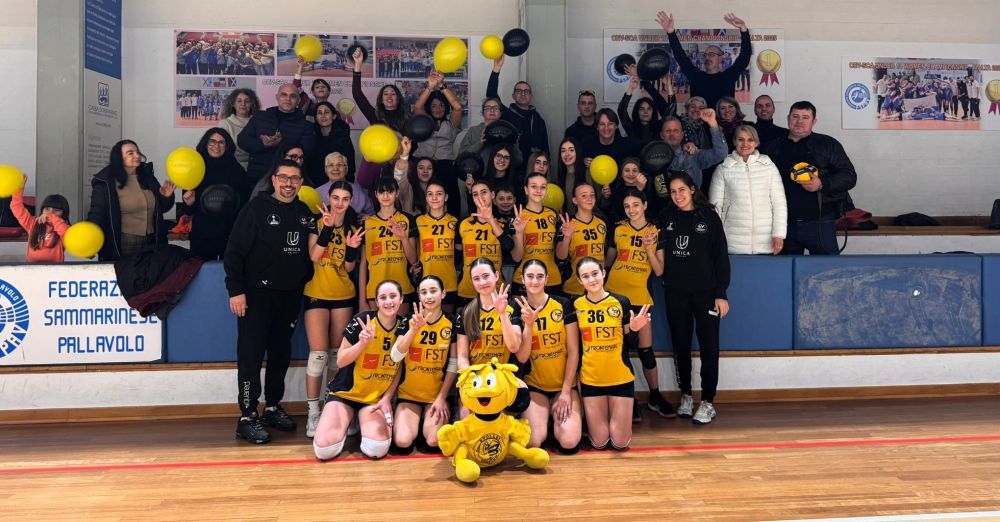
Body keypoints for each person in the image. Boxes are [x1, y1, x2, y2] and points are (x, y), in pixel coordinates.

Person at [225, 160, 317, 444]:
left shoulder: (304, 212)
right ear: (274, 180)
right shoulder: (255, 208)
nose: (289, 183)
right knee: (251, 356)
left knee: (280, 355)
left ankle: (273, 407)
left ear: (301, 183)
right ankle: (247, 415)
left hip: (289, 296)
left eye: (295, 178)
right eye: (284, 178)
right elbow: (234, 251)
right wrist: (236, 290)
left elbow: (312, 253)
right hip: (255, 296)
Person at [312, 280, 414, 460]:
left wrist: (387, 398)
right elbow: (341, 361)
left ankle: (361, 418)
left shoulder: (404, 326)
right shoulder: (364, 320)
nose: (388, 301)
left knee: (377, 449)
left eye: (393, 296)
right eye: (383, 297)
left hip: (374, 399)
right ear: (376, 301)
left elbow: (399, 366)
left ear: (401, 299)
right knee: (324, 450)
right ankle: (347, 419)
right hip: (346, 393)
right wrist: (362, 344)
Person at [658, 172, 730, 424]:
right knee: (680, 346)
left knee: (709, 347)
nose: (677, 196)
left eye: (682, 190)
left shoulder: (708, 217)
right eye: (673, 191)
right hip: (675, 292)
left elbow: (721, 257)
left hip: (706, 294)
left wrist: (721, 294)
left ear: (692, 190)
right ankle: (686, 395)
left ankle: (708, 401)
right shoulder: (667, 217)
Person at [604, 188, 671, 421]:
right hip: (614, 296)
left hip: (640, 298)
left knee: (646, 352)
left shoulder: (655, 231)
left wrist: (649, 249)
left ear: (644, 205)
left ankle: (655, 396)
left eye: (635, 205)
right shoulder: (618, 229)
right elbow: (608, 262)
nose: (631, 210)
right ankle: (628, 399)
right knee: (620, 351)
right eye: (627, 206)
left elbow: (659, 270)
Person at [302, 181, 363, 438]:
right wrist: (327, 228)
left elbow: (348, 268)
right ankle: (313, 412)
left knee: (338, 356)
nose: (339, 203)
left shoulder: (352, 228)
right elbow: (314, 256)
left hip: (343, 295)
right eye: (336, 198)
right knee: (318, 355)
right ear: (328, 197)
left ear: (350, 202)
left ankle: (332, 409)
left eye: (345, 199)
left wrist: (352, 250)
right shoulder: (316, 223)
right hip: (316, 293)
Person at [571, 256, 652, 450]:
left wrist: (634, 329)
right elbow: (575, 348)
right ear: (579, 281)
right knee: (600, 443)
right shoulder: (575, 305)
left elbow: (630, 344)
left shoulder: (621, 302)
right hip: (591, 379)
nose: (592, 279)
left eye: (595, 274)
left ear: (603, 273)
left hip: (620, 378)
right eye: (585, 276)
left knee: (620, 443)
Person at [762, 101, 857, 255]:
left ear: (814, 121)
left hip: (821, 222)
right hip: (784, 225)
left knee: (826, 268)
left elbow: (849, 176)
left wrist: (822, 183)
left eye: (805, 117)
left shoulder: (828, 144)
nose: (799, 121)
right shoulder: (772, 147)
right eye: (795, 116)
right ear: (788, 118)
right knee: (785, 268)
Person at [515, 260, 582, 453]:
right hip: (536, 386)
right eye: (530, 276)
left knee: (569, 441)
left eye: (539, 276)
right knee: (533, 442)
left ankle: (558, 418)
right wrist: (528, 324)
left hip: (564, 386)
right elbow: (522, 357)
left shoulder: (563, 304)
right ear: (522, 279)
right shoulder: (517, 307)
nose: (535, 281)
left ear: (547, 279)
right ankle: (545, 419)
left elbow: (574, 351)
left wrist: (566, 391)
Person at [389, 276, 458, 453]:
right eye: (424, 292)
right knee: (403, 441)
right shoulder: (409, 319)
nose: (428, 296)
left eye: (433, 291)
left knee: (434, 441)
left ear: (443, 294)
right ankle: (416, 422)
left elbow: (453, 364)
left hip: (436, 397)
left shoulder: (451, 322)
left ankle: (430, 420)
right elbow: (395, 356)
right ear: (419, 296)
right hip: (408, 395)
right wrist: (414, 329)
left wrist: (442, 397)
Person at [455, 258, 525, 418]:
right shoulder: (466, 312)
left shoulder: (511, 307)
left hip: (501, 376)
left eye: (486, 276)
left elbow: (514, 347)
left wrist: (502, 313)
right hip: (475, 376)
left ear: (496, 276)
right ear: (472, 282)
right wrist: (468, 379)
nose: (482, 282)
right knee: (468, 415)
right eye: (476, 279)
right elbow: (462, 357)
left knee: (515, 404)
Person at [87, 139, 177, 261]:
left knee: (154, 272)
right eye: (130, 153)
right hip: (124, 242)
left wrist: (166, 196)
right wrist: (90, 242)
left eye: (137, 152)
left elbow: (162, 208)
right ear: (119, 158)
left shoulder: (147, 176)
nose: (137, 155)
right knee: (127, 273)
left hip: (153, 240)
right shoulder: (106, 182)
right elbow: (97, 214)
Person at [709, 125, 786, 255]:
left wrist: (779, 235)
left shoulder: (769, 167)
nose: (745, 144)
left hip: (766, 244)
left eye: (750, 140)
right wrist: (716, 237)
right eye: (740, 139)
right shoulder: (723, 169)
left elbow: (779, 204)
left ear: (756, 143)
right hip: (731, 243)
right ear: (734, 141)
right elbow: (715, 207)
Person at [656, 11, 751, 109]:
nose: (707, 58)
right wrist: (671, 33)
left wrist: (743, 29)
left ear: (720, 58)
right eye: (705, 55)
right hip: (698, 119)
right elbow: (680, 56)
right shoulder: (696, 76)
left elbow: (744, 57)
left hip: (724, 119)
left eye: (711, 55)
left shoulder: (729, 77)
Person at [358, 176, 418, 315]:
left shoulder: (407, 219)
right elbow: (363, 264)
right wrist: (362, 300)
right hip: (375, 288)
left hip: (402, 287)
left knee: (399, 328)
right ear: (376, 194)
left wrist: (403, 237)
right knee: (377, 329)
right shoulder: (367, 223)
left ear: (397, 193)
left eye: (390, 191)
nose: (385, 196)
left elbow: (413, 260)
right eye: (381, 192)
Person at [184, 128, 247, 260]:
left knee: (229, 268)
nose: (216, 146)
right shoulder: (195, 168)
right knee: (199, 268)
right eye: (212, 142)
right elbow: (188, 209)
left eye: (221, 142)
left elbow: (244, 201)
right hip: (202, 231)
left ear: (227, 146)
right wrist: (190, 203)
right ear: (205, 144)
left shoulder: (237, 170)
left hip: (229, 231)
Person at [237, 83, 315, 183]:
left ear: (298, 100)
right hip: (257, 176)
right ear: (277, 97)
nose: (288, 99)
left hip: (288, 179)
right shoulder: (260, 116)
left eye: (293, 96)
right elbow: (242, 140)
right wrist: (263, 144)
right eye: (284, 95)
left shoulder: (306, 125)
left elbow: (307, 153)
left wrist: (282, 143)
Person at [412, 70, 464, 217]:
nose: (438, 109)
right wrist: (430, 86)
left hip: (445, 167)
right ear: (429, 107)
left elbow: (458, 107)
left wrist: (442, 86)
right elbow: (418, 107)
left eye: (441, 105)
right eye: (434, 106)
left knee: (450, 201)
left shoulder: (451, 123)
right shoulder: (423, 121)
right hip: (422, 166)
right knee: (422, 201)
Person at [458, 179, 518, 302]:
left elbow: (509, 246)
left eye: (484, 192)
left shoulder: (503, 223)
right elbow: (457, 256)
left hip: (496, 289)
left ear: (493, 195)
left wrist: (490, 220)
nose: (480, 197)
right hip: (467, 289)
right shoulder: (463, 223)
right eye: (475, 194)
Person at [486, 55, 550, 163]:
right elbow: (491, 95)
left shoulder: (538, 120)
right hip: (511, 167)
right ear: (513, 96)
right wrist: (496, 69)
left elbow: (546, 150)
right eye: (519, 91)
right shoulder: (506, 114)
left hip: (533, 168)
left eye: (526, 91)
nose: (523, 94)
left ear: (531, 96)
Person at [511, 172, 564, 295]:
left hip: (551, 278)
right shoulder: (518, 216)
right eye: (534, 186)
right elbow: (516, 257)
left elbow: (560, 254)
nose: (538, 191)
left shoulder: (553, 215)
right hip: (524, 277)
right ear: (526, 190)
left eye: (543, 187)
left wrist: (567, 237)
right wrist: (519, 233)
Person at [413, 179, 459, 313]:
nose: (434, 198)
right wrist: (413, 265)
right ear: (426, 198)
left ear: (446, 197)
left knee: (447, 321)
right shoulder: (417, 221)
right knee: (427, 321)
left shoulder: (455, 222)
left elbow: (459, 254)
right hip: (425, 280)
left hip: (449, 281)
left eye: (439, 194)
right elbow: (414, 250)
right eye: (430, 194)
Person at [556, 183, 607, 297]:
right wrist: (567, 238)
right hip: (574, 289)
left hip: (598, 288)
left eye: (592, 195)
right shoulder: (567, 224)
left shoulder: (602, 223)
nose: (589, 198)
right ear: (575, 200)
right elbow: (560, 256)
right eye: (584, 195)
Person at [659, 111, 727, 190]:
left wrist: (713, 125)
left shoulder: (693, 154)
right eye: (668, 131)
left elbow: (720, 153)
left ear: (682, 135)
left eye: (676, 131)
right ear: (662, 135)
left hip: (693, 197)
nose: (672, 134)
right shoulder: (654, 157)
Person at [10, 174, 70, 262]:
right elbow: (16, 207)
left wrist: (51, 217)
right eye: (47, 209)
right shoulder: (33, 223)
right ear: (42, 210)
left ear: (64, 213)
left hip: (55, 269)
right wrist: (19, 189)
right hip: (31, 268)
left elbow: (66, 234)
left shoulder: (65, 227)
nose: (51, 212)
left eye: (57, 210)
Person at [307, 101, 355, 187]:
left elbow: (350, 164)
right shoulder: (310, 135)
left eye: (327, 112)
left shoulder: (343, 136)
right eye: (319, 113)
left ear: (334, 116)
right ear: (316, 118)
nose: (323, 116)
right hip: (315, 183)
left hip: (339, 183)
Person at [598, 157, 655, 224]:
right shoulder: (616, 190)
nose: (631, 174)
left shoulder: (648, 187)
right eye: (627, 170)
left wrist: (640, 191)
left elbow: (652, 212)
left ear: (640, 173)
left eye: (634, 171)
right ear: (621, 174)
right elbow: (609, 211)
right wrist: (606, 198)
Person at [316, 152, 373, 218]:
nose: (335, 168)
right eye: (331, 165)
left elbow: (371, 213)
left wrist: (365, 217)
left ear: (346, 169)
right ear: (326, 170)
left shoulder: (358, 190)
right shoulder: (317, 192)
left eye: (339, 165)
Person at [219, 88, 261, 170]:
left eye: (247, 101)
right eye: (239, 101)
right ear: (233, 104)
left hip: (256, 167)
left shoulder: (259, 122)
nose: (243, 104)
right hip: (232, 167)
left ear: (252, 104)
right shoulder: (225, 124)